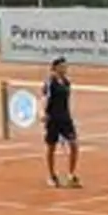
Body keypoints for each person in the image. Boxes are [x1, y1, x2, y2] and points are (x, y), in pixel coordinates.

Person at [41, 57, 80, 188]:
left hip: (66, 119)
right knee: (51, 147)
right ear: (56, 67)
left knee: (74, 145)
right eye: (63, 66)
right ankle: (52, 176)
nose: (65, 69)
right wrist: (43, 113)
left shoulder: (67, 82)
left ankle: (71, 175)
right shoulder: (50, 83)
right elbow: (45, 98)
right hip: (53, 119)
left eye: (66, 66)